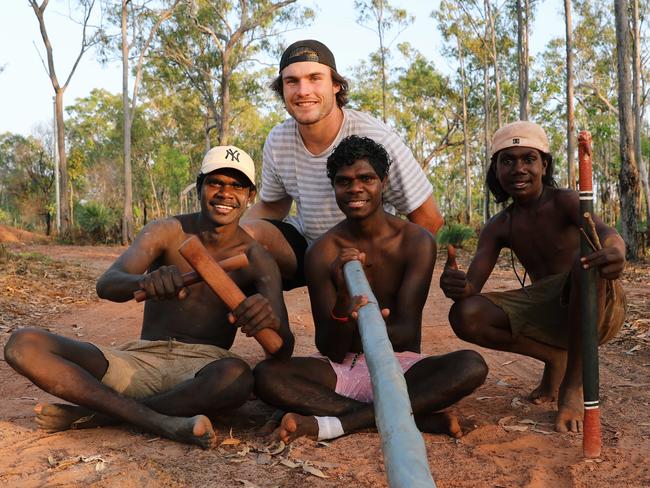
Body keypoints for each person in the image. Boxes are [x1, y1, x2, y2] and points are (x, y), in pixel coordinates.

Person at [4, 146, 294, 449]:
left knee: (238, 378)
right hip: (140, 359)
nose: (225, 193)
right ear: (199, 187)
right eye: (215, 183)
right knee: (23, 344)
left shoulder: (257, 258)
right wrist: (145, 280)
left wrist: (266, 318)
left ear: (250, 195)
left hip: (203, 368)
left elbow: (282, 348)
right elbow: (108, 284)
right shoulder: (167, 231)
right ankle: (160, 420)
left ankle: (101, 415)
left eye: (237, 186)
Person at [253, 135, 487, 444]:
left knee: (471, 365)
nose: (355, 189)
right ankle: (416, 418)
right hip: (342, 366)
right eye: (343, 181)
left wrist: (361, 323)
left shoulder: (416, 241)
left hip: (399, 365)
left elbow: (404, 333)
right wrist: (341, 307)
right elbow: (330, 347)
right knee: (266, 377)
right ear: (333, 186)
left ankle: (337, 424)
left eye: (366, 178)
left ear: (383, 182)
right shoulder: (322, 252)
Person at [439, 121, 626, 433]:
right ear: (495, 169)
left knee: (586, 266)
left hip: (596, 302)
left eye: (528, 159)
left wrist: (615, 251)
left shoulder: (565, 201)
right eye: (507, 161)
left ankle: (572, 387)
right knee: (465, 314)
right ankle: (556, 357)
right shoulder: (500, 225)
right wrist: (456, 285)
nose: (518, 169)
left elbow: (607, 234)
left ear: (544, 165)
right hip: (548, 312)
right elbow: (471, 287)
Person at [242, 39, 443, 289]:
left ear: (336, 85)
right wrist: (223, 240)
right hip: (310, 251)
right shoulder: (279, 139)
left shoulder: (376, 138)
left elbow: (428, 219)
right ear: (281, 89)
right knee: (243, 239)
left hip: (368, 254)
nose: (303, 91)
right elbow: (272, 207)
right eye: (291, 81)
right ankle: (269, 326)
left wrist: (393, 276)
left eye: (314, 78)